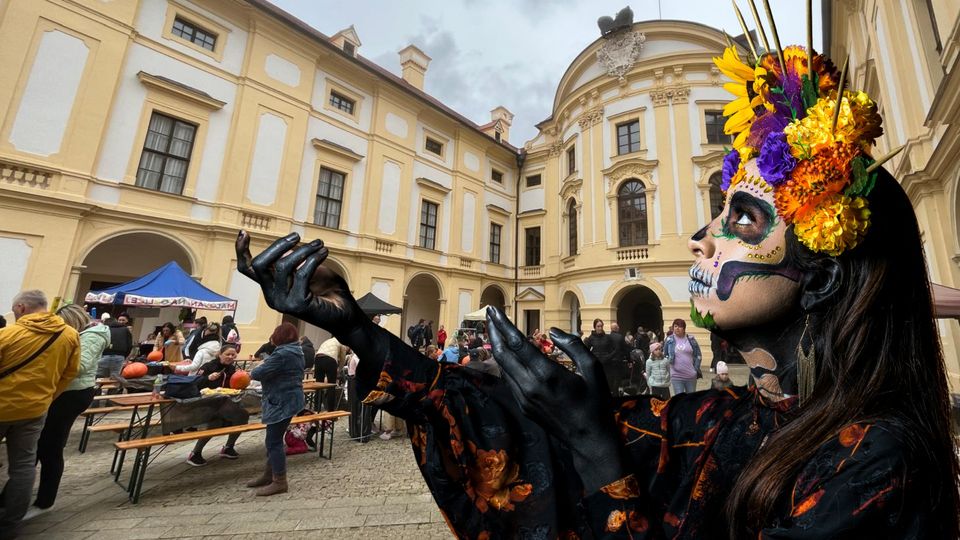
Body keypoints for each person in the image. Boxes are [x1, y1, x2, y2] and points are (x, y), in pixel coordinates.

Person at [235, 38, 960, 535]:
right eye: (714, 212)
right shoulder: (737, 414)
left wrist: (596, 455)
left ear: (826, 271)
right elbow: (509, 426)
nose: (700, 238)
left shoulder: (875, 460)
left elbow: (591, 454)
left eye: (740, 218)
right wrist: (354, 327)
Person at [0, 290, 80, 536]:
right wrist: (47, 397)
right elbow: (70, 372)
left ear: (22, 308)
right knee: (23, 466)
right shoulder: (69, 335)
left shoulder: (8, 333)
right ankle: (10, 525)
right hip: (36, 409)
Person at [29, 304, 109, 518]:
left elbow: (80, 366)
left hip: (73, 394)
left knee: (51, 445)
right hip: (62, 391)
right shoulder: (80, 335)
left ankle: (45, 500)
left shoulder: (92, 336)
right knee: (39, 444)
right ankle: (17, 492)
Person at [246, 323, 303, 496]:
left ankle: (279, 481)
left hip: (281, 401)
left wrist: (261, 365)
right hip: (290, 398)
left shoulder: (283, 353)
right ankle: (269, 474)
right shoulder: (296, 351)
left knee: (273, 441)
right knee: (274, 439)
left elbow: (257, 373)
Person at [186, 344, 249, 466]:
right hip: (207, 402)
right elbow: (195, 383)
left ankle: (227, 447)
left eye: (233, 355)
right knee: (235, 417)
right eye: (227, 354)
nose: (230, 357)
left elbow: (234, 385)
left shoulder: (232, 368)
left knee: (241, 416)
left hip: (224, 402)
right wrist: (208, 378)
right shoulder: (209, 366)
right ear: (220, 354)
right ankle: (196, 453)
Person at [583, 319, 624, 395]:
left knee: (607, 385)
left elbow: (615, 350)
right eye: (598, 326)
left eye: (601, 326)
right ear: (594, 327)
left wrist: (608, 357)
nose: (600, 328)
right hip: (596, 365)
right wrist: (593, 358)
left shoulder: (607, 337)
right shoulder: (591, 338)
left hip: (607, 365)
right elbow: (586, 352)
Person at [663, 318, 701, 395]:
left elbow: (698, 355)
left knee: (691, 399)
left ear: (684, 329)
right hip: (676, 376)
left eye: (680, 326)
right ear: (673, 327)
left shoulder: (691, 339)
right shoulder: (669, 339)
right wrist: (670, 365)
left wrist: (695, 369)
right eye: (675, 326)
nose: (677, 328)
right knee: (679, 400)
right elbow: (665, 354)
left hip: (690, 375)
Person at [97, 316, 134, 389]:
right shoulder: (125, 330)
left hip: (104, 355)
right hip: (119, 356)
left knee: (99, 378)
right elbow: (130, 345)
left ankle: (97, 395)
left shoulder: (105, 329)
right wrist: (124, 356)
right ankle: (110, 395)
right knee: (114, 379)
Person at [314, 335, 345, 412]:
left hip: (318, 358)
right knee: (331, 386)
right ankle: (330, 410)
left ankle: (316, 408)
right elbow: (343, 359)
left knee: (318, 385)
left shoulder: (328, 341)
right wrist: (339, 369)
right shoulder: (342, 342)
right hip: (330, 360)